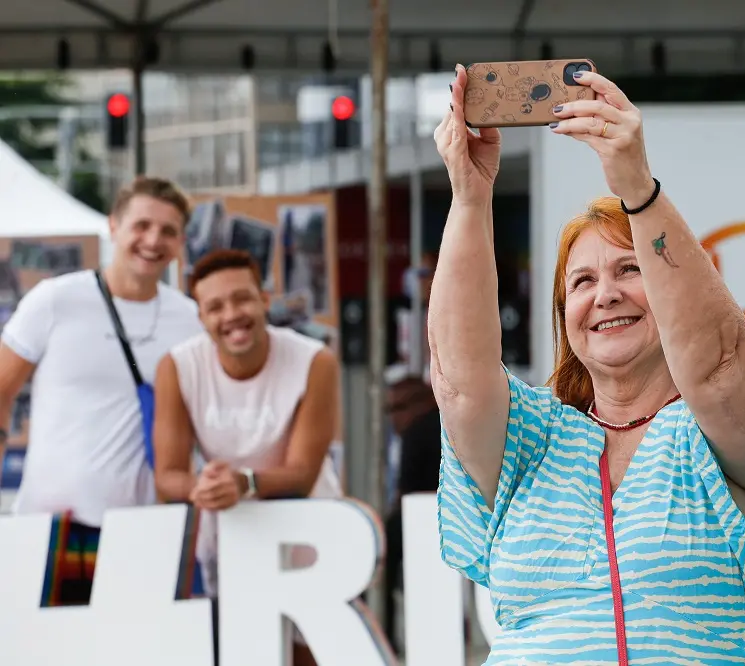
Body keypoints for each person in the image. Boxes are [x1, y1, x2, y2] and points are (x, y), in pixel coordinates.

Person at [431, 65, 745, 664]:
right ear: (564, 315)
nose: (605, 295)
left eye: (630, 269)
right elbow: (459, 383)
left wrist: (636, 185)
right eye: (581, 281)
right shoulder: (533, 439)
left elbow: (716, 365)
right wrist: (469, 196)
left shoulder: (715, 435)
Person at [0, 176, 202, 605]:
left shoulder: (191, 319)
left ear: (181, 242)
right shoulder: (55, 300)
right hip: (54, 526)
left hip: (146, 532)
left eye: (168, 231)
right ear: (113, 226)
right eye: (142, 225)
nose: (153, 240)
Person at [152, 249, 341, 666]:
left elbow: (303, 474)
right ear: (200, 317)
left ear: (263, 300)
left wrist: (245, 483)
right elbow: (167, 476)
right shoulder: (177, 367)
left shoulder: (314, 361)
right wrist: (200, 486)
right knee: (241, 650)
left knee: (310, 651)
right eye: (215, 307)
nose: (231, 314)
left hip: (307, 523)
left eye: (242, 299)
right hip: (232, 530)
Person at [381, 374, 442, 652]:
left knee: (383, 548)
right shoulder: (446, 424)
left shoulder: (417, 431)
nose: (394, 418)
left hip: (424, 519)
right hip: (453, 516)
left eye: (397, 408)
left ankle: (386, 629)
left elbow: (406, 491)